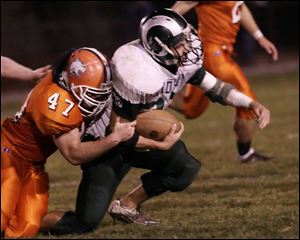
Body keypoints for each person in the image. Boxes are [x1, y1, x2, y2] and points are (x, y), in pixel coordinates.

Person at [41, 8, 270, 235]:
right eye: (181, 42)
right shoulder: (135, 68)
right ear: (158, 46)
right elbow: (120, 133)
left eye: (187, 38)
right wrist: (159, 145)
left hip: (132, 134)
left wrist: (250, 104)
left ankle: (127, 205)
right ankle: (30, 221)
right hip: (107, 144)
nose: (188, 46)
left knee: (185, 167)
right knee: (85, 223)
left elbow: (215, 88)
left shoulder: (180, 60)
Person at [1, 47, 136, 238]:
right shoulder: (55, 103)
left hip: (32, 165)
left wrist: (30, 74)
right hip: (7, 151)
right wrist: (115, 138)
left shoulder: (64, 77)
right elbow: (74, 153)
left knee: (24, 229)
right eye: (92, 92)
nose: (98, 98)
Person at [170, 1, 278, 163]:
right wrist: (166, 35)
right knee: (248, 103)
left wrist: (259, 37)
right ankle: (246, 153)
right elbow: (175, 10)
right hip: (214, 54)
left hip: (216, 53)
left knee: (191, 108)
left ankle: (151, 95)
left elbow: (240, 7)